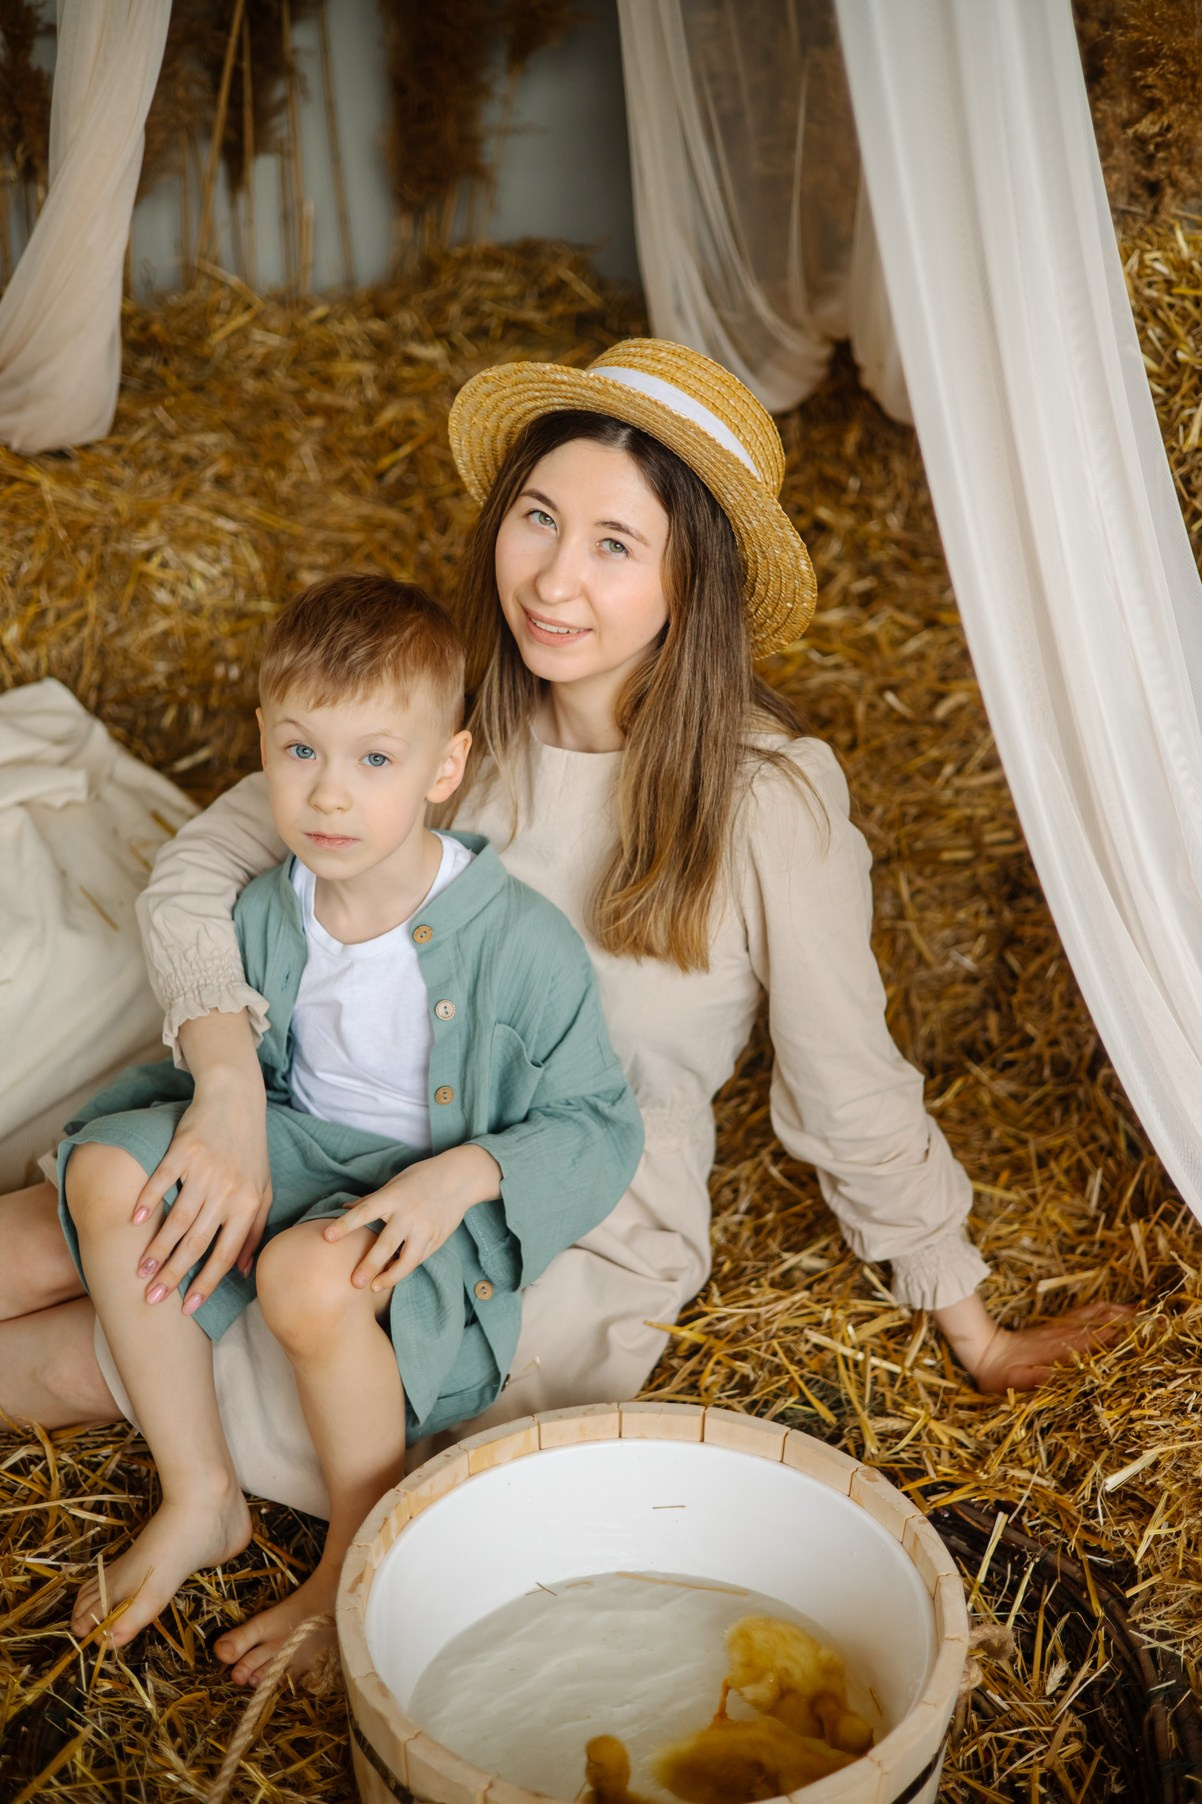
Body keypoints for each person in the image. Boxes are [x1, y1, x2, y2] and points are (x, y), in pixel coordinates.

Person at [0, 339, 1127, 1625]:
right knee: (32, 1241)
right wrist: (222, 1089)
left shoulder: (768, 804)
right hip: (330, 1116)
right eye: (538, 516)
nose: (552, 575)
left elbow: (847, 1086)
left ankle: (243, 1491)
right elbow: (196, 871)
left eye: (613, 544)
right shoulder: (442, 726)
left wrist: (966, 1323)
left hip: (542, 1216)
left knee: (71, 1351)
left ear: (687, 579)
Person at [45, 573, 642, 1682]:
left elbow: (600, 1126)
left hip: (420, 1197)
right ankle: (201, 1491)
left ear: (443, 769)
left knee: (303, 1281)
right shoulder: (269, 906)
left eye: (375, 759)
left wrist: (461, 1176)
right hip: (294, 1142)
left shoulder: (519, 943)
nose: (329, 795)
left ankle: (357, 1555)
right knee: (96, 1178)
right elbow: (260, 1078)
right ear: (261, 744)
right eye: (301, 752)